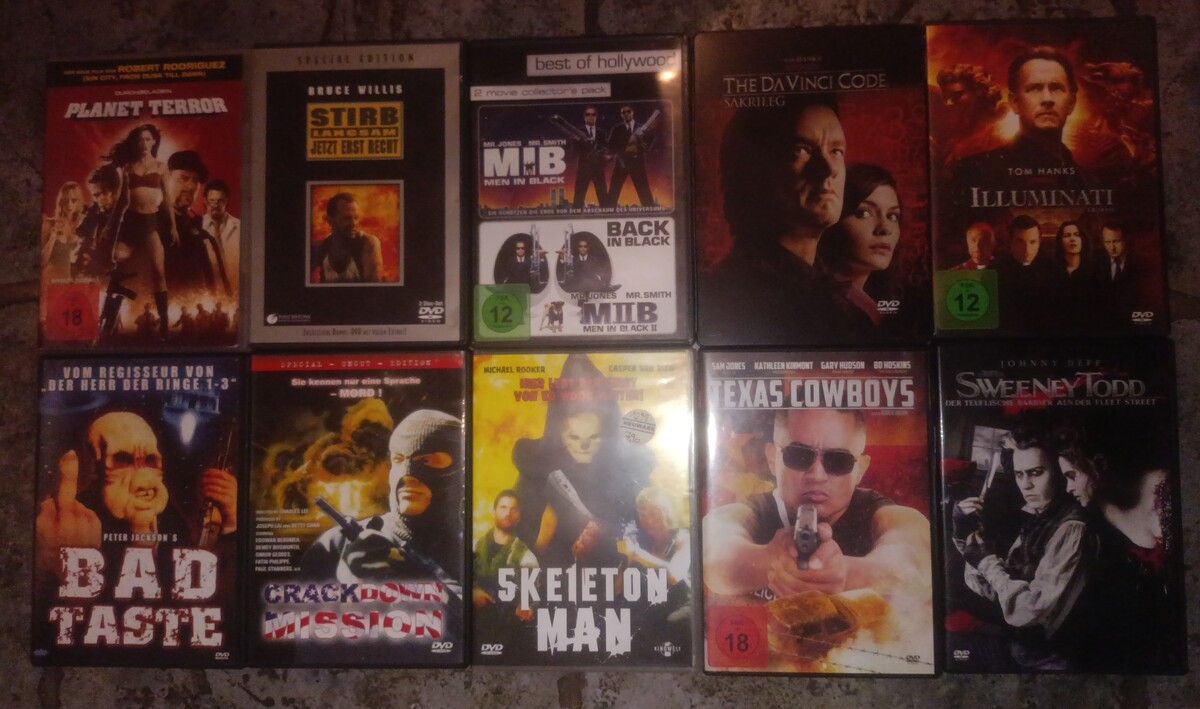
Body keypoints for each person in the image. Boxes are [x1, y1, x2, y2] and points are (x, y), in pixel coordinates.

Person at [704, 408, 930, 601]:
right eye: (798, 456)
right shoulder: (746, 513)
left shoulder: (888, 515)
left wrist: (844, 573)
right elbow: (714, 553)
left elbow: (916, 560)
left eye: (838, 460)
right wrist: (770, 562)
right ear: (772, 459)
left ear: (860, 469)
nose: (817, 476)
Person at [704, 95, 846, 343]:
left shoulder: (839, 294)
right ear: (752, 170)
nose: (828, 168)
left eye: (836, 151)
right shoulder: (727, 293)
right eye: (800, 150)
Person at [951, 422, 1091, 670]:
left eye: (1036, 472)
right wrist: (964, 534)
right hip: (1019, 647)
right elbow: (994, 590)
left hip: (1047, 663)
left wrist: (986, 561)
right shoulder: (1038, 517)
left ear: (1058, 472)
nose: (1026, 484)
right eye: (1019, 474)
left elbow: (1027, 611)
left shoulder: (1071, 528)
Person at [300, 409, 463, 601]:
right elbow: (289, 612)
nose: (407, 476)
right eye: (398, 460)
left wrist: (414, 584)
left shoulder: (476, 552)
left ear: (461, 471)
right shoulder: (334, 546)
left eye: (427, 461)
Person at [511, 354, 653, 567]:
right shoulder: (535, 470)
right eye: (574, 436)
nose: (583, 445)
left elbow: (648, 536)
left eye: (593, 436)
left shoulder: (630, 471)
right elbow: (521, 542)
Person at [951, 47, 1084, 190]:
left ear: (1071, 103)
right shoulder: (974, 172)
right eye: (1035, 88)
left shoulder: (1086, 181)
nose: (1047, 99)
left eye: (1056, 88)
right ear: (1015, 102)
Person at [97, 124, 176, 340]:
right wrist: (110, 225)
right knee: (118, 269)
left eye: (148, 139)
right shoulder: (128, 167)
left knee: (158, 270)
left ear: (154, 141)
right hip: (130, 223)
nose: (144, 143)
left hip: (150, 222)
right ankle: (107, 320)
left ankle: (164, 324)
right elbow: (122, 201)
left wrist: (173, 227)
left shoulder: (161, 167)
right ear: (136, 142)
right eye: (140, 140)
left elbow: (167, 201)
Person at [817, 163, 902, 333]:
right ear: (833, 220)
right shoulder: (821, 306)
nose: (885, 228)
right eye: (864, 213)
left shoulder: (875, 306)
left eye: (892, 216)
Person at [472, 490, 538, 644]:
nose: (508, 513)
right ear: (494, 511)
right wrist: (472, 591)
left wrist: (527, 608)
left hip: (502, 630)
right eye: (503, 507)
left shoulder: (526, 558)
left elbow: (531, 599)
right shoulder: (474, 546)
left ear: (519, 516)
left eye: (513, 509)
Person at [165, 150, 225, 295]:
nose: (191, 186)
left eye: (195, 180)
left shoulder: (202, 234)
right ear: (165, 180)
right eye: (183, 178)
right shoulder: (148, 225)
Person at [988, 215, 1055, 329]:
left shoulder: (1053, 269)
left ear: (1040, 242)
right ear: (1011, 241)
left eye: (1032, 242)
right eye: (1020, 242)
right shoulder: (994, 269)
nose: (1027, 250)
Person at [311, 192, 384, 283]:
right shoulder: (320, 247)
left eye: (356, 218)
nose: (353, 223)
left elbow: (374, 288)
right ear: (330, 220)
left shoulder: (368, 243)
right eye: (346, 218)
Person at [1052, 220, 1103, 330]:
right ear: (1060, 242)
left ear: (1083, 239)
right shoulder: (1052, 272)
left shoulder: (1095, 270)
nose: (1072, 239)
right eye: (1067, 235)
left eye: (1077, 235)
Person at [603, 104, 656, 207]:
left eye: (628, 111)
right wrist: (624, 147)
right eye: (623, 112)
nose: (626, 114)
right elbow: (610, 147)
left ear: (632, 112)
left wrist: (641, 143)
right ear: (621, 114)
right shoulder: (616, 129)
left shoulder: (642, 128)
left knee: (645, 195)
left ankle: (650, 212)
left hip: (637, 163)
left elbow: (648, 143)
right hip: (621, 163)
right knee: (613, 193)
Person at [74, 166, 121, 278]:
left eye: (96, 195)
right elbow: (81, 233)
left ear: (109, 193)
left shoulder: (124, 216)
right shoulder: (95, 210)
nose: (94, 199)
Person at [40, 181, 85, 282]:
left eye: (73, 200)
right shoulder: (49, 223)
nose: (69, 204)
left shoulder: (85, 226)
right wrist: (53, 236)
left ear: (79, 202)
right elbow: (41, 262)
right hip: (51, 281)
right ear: (60, 202)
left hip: (74, 283)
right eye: (65, 200)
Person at [201, 178, 239, 290]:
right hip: (208, 289)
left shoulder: (240, 227)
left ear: (227, 200)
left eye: (220, 201)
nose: (215, 205)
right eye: (212, 200)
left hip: (236, 287)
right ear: (205, 200)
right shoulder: (197, 228)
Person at [571, 106, 607, 208]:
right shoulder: (578, 132)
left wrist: (602, 158)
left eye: (593, 114)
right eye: (588, 114)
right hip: (584, 168)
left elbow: (606, 149)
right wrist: (576, 142)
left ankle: (606, 216)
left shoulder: (601, 133)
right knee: (578, 198)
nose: (590, 116)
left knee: (603, 197)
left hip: (598, 168)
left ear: (596, 117)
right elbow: (573, 153)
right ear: (584, 117)